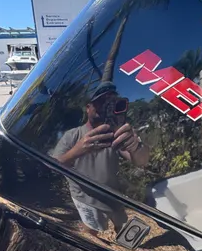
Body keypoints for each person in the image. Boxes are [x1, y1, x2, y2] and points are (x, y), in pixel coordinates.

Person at [50, 82, 149, 232]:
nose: (104, 106)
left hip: (113, 198)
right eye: (100, 102)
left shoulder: (116, 134)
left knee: (123, 233)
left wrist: (135, 146)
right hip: (86, 200)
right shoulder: (73, 135)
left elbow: (142, 161)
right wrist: (77, 150)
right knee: (91, 235)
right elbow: (53, 165)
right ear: (88, 107)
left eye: (110, 103)